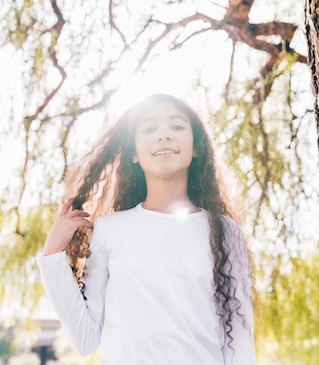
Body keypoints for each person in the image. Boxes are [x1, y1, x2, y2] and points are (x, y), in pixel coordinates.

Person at [37, 93, 255, 364]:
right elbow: (85, 339)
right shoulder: (110, 230)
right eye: (149, 129)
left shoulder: (224, 231)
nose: (163, 135)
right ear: (134, 153)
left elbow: (240, 343)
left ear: (196, 146)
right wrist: (52, 254)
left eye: (176, 126)